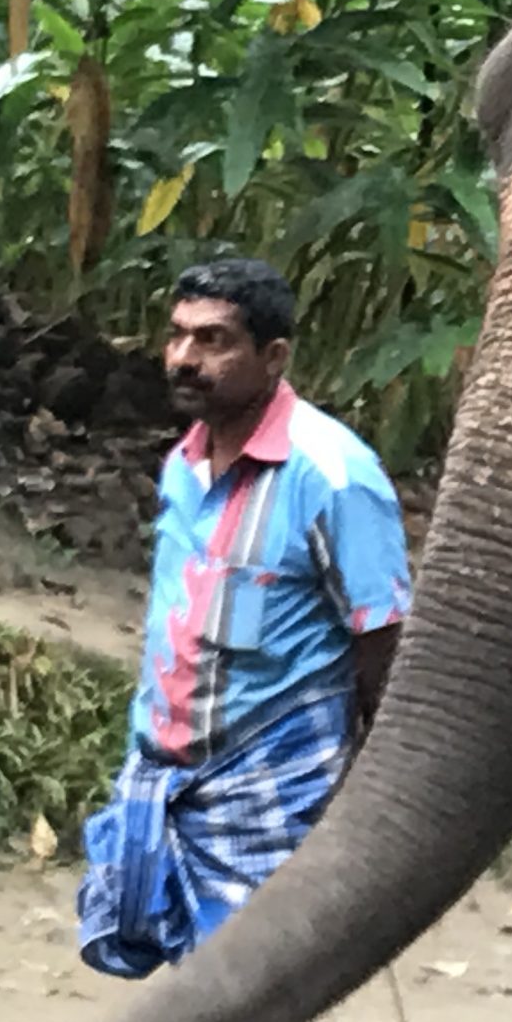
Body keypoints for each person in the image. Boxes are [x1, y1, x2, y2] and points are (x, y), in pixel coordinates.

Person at [76, 256, 412, 978]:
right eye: (178, 336)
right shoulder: (183, 465)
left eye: (214, 340)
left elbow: (384, 643)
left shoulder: (335, 479)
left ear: (274, 356)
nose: (185, 359)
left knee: (246, 1000)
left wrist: (371, 806)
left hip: (275, 793)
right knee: (200, 995)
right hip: (169, 779)